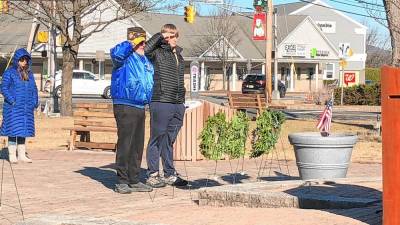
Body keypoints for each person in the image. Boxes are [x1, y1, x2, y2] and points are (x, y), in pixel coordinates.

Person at [110, 27, 154, 194]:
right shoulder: (123, 58)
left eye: (144, 41)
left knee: (137, 145)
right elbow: (116, 53)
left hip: (140, 105)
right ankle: (121, 180)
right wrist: (131, 43)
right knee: (125, 143)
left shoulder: (145, 61)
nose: (143, 45)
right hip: (125, 105)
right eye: (140, 42)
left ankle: (134, 179)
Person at [144, 24, 188, 188]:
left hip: (177, 103)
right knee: (157, 138)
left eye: (174, 35)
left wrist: (182, 100)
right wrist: (160, 35)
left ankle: (170, 174)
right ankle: (153, 174)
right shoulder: (157, 52)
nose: (172, 39)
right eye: (169, 36)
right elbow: (147, 49)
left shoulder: (179, 56)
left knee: (169, 140)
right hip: (161, 100)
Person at [1, 48, 38, 164]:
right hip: (13, 108)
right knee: (13, 131)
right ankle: (12, 155)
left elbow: (35, 89)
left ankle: (22, 155)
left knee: (24, 131)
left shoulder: (29, 74)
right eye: (22, 60)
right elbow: (3, 88)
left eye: (26, 60)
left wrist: (35, 102)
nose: (24, 62)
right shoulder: (9, 73)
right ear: (17, 60)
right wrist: (12, 101)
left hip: (26, 108)